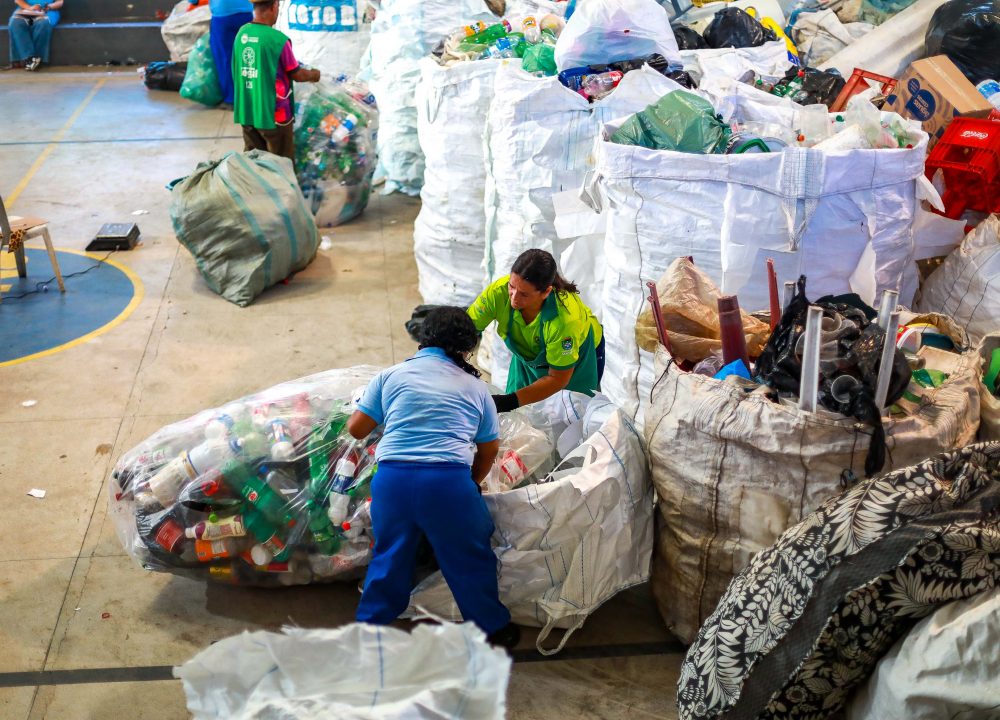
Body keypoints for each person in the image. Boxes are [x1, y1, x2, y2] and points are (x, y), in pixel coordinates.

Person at [346, 306, 519, 648]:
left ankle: (370, 626)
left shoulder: (390, 376)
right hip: (447, 482)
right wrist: (471, 482)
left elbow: (356, 429)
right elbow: (488, 450)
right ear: (465, 349)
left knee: (390, 553)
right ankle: (491, 628)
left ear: (423, 340)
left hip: (392, 480)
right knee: (467, 553)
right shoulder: (475, 388)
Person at [468, 249, 604, 412]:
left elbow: (557, 379)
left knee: (568, 419)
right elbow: (466, 330)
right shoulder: (498, 293)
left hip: (576, 363)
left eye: (524, 294)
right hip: (530, 360)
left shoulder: (564, 320)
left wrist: (509, 402)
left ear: (546, 292)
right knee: (519, 418)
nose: (514, 298)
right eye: (512, 286)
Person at [232, 0, 319, 161]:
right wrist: (315, 74)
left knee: (253, 160)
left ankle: (255, 186)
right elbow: (297, 74)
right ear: (273, 7)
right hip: (274, 115)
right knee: (282, 162)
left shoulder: (242, 33)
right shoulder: (278, 40)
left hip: (248, 111)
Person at [188, 0, 252, 106]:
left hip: (223, 14)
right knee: (249, 56)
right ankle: (251, 96)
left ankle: (232, 99)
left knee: (225, 59)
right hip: (247, 13)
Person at [7, 0, 62, 71]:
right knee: (15, 23)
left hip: (48, 11)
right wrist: (30, 8)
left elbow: (60, 2)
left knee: (43, 24)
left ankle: (38, 59)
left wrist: (48, 7)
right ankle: (29, 58)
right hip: (25, 9)